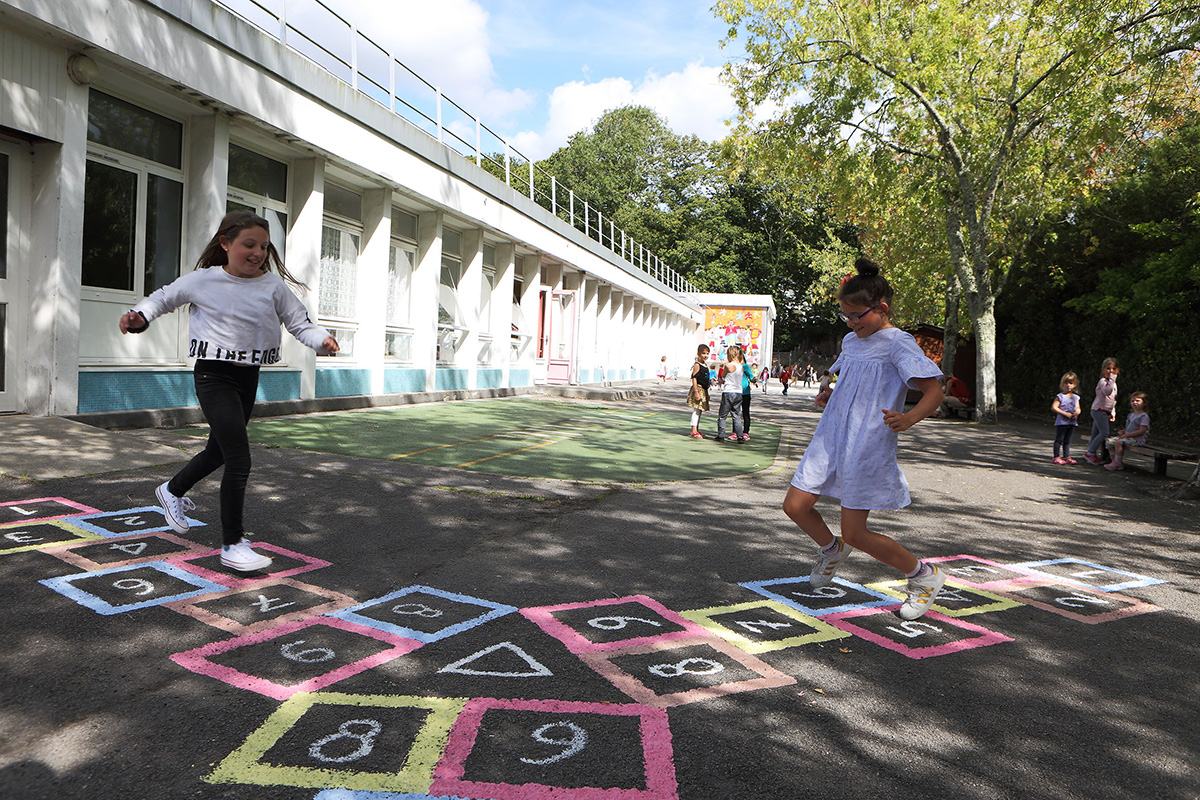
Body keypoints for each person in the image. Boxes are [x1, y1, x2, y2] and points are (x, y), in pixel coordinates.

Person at [118, 211, 339, 572]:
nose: (257, 253)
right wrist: (138, 317)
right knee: (239, 459)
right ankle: (232, 543)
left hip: (247, 378)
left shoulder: (272, 287)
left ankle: (172, 490)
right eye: (248, 245)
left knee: (218, 452)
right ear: (226, 244)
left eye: (264, 247)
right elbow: (161, 299)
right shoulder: (203, 281)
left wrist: (322, 341)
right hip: (213, 377)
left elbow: (300, 324)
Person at [782, 258, 946, 621]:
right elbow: (849, 382)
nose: (852, 323)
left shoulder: (898, 343)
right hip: (831, 434)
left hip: (867, 441)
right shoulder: (850, 341)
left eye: (857, 315)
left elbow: (934, 392)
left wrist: (909, 418)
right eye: (846, 316)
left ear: (882, 309)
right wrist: (830, 394)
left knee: (856, 533)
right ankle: (831, 550)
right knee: (795, 506)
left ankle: (924, 576)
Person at [1084, 358, 1119, 464]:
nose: (1111, 371)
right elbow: (1107, 392)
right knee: (1104, 433)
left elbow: (1113, 399)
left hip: (1104, 411)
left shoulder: (1113, 384)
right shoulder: (1103, 382)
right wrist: (1112, 379)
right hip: (1098, 410)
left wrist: (1112, 412)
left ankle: (1091, 453)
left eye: (1113, 369)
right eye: (1108, 368)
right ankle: (1090, 452)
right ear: (1104, 370)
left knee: (1095, 433)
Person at [1104, 392, 1150, 471]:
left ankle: (1117, 463)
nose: (1134, 403)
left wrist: (1127, 435)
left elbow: (1142, 430)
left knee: (1118, 442)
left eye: (1137, 401)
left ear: (1144, 403)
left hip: (1137, 439)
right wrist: (1123, 431)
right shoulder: (1130, 415)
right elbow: (1129, 427)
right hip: (1128, 437)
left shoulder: (1144, 416)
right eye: (1132, 401)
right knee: (1109, 441)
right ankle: (1114, 461)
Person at [716, 345, 748, 443]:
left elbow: (722, 376)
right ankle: (740, 436)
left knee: (722, 415)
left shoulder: (728, 365)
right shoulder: (741, 367)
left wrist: (719, 380)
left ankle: (721, 435)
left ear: (730, 355)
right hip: (738, 392)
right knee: (736, 415)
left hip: (728, 392)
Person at [1051, 372, 1082, 464]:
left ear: (1075, 385)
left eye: (1071, 383)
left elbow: (1078, 409)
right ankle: (1056, 456)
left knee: (1067, 440)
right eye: (1066, 383)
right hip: (1062, 422)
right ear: (1062, 384)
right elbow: (1054, 407)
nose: (1068, 385)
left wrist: (1077, 412)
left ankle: (1066, 456)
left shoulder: (1076, 397)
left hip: (1071, 422)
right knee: (1059, 440)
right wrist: (1065, 413)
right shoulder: (1060, 396)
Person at [686, 344, 712, 439]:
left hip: (704, 390)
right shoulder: (697, 365)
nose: (705, 355)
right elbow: (694, 378)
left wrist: (707, 393)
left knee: (700, 410)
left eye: (707, 353)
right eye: (703, 353)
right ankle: (693, 430)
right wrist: (696, 391)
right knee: (696, 410)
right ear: (698, 353)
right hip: (699, 389)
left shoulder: (705, 365)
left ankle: (696, 429)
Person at [741, 358, 759, 441]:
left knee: (745, 412)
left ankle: (746, 431)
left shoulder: (745, 366)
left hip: (745, 392)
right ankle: (735, 431)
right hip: (735, 392)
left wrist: (754, 379)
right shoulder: (732, 366)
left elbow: (751, 376)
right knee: (735, 413)